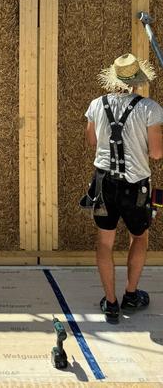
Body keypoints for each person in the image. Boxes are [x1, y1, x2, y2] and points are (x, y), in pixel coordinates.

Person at [84, 53, 163, 324]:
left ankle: (111, 302)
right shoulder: (150, 109)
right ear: (137, 81)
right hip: (135, 186)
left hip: (104, 183)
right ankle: (131, 294)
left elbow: (92, 140)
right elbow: (156, 153)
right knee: (139, 237)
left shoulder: (96, 104)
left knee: (104, 242)